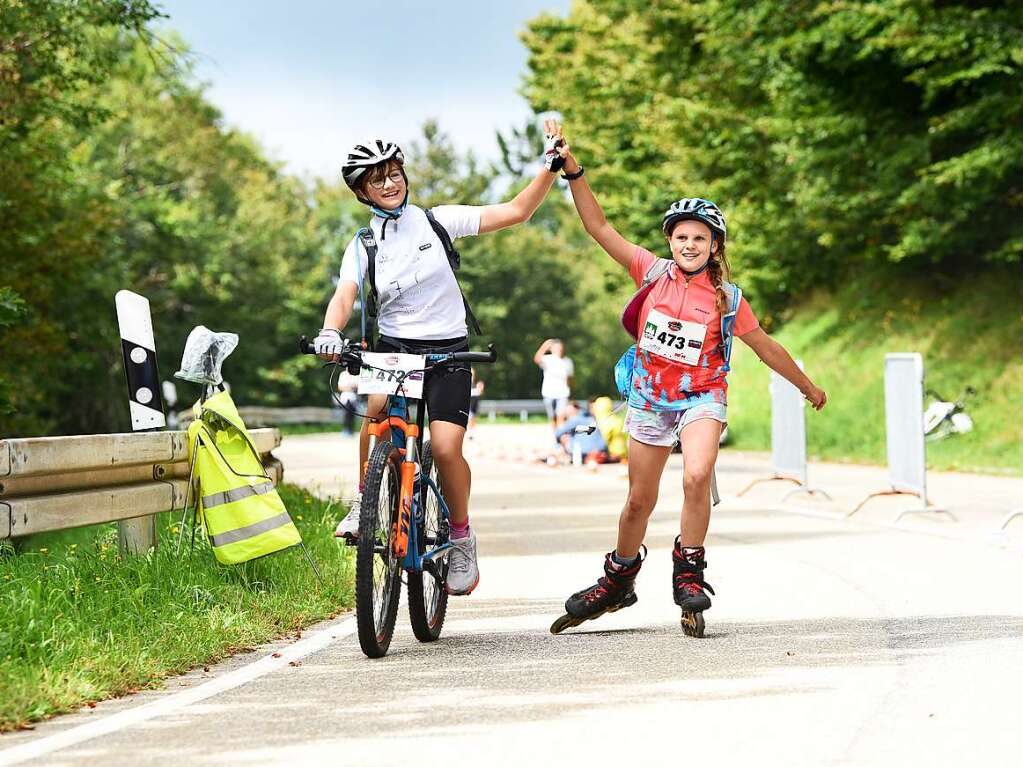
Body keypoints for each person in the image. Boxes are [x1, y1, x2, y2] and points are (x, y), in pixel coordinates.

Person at [551, 123, 827, 631]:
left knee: (697, 474)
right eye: (682, 236)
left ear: (715, 245)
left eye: (700, 237)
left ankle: (690, 570)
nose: (690, 244)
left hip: (702, 395)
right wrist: (572, 170)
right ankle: (618, 579)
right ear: (670, 241)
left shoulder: (729, 299)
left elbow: (763, 345)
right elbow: (599, 227)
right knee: (639, 499)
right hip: (650, 399)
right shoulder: (651, 273)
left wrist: (807, 386)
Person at [313, 124, 565, 595]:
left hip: (450, 349)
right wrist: (331, 330)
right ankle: (367, 502)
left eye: (394, 174)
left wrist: (549, 167)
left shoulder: (438, 221)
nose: (390, 184)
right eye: (376, 179)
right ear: (361, 191)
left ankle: (462, 536)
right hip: (395, 348)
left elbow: (517, 210)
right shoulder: (363, 245)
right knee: (373, 414)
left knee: (447, 449)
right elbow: (344, 295)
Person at [533, 338, 574, 432]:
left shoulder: (568, 361)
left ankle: (561, 437)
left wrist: (571, 392)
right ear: (552, 349)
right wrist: (545, 346)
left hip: (563, 393)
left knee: (561, 417)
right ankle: (556, 436)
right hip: (548, 393)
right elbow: (536, 359)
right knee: (553, 417)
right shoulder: (547, 359)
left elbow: (570, 378)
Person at [467, 367, 485, 438]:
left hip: (475, 404)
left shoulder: (475, 385)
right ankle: (469, 433)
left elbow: (479, 392)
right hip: (469, 405)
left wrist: (480, 389)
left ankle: (471, 433)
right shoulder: (466, 384)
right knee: (470, 418)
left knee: (473, 419)